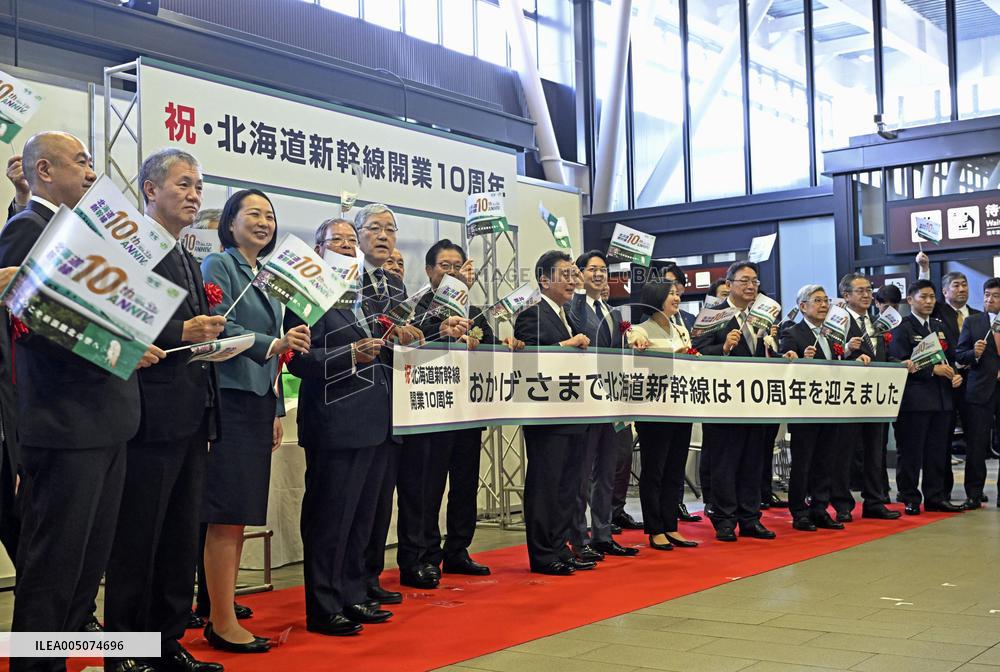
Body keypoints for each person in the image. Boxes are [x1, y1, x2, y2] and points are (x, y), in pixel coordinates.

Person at [0, 132, 161, 672]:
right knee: (52, 571)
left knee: (85, 569)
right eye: (82, 162)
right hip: (66, 426)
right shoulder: (27, 230)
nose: (92, 174)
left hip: (106, 423)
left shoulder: (76, 232)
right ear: (44, 170)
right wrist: (119, 343)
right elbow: (33, 324)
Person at [286, 205, 451, 635]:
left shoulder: (365, 295)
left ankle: (355, 593)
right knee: (330, 517)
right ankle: (323, 605)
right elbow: (298, 360)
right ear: (318, 250)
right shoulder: (307, 292)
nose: (346, 246)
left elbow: (386, 354)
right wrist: (348, 355)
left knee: (362, 516)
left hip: (376, 418)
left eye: (348, 241)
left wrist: (409, 338)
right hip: (335, 420)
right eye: (337, 240)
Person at [103, 148, 227, 672]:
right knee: (139, 538)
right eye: (182, 184)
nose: (193, 194)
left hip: (192, 412)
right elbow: (114, 319)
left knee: (179, 537)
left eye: (198, 185)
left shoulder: (183, 252)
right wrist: (183, 332)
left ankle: (166, 641)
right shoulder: (130, 246)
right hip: (150, 417)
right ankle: (124, 652)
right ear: (150, 190)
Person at [198, 190, 311, 653]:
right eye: (253, 214)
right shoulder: (219, 266)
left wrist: (275, 410)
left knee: (239, 513)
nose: (264, 222)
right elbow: (217, 326)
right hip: (227, 399)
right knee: (226, 514)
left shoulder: (267, 275)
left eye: (270, 216)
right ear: (230, 221)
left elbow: (275, 357)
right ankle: (221, 621)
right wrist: (276, 341)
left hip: (256, 402)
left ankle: (220, 611)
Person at [396, 240, 522, 588]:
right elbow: (407, 350)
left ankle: (458, 550)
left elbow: (492, 346)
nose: (451, 272)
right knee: (425, 487)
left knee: (464, 484)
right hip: (428, 411)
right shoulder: (416, 306)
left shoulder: (475, 310)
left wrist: (505, 346)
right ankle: (420, 556)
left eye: (457, 266)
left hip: (467, 410)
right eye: (444, 266)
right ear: (429, 271)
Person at [692, 261, 791, 542]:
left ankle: (750, 517)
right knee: (725, 461)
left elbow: (767, 355)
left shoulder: (762, 317)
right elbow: (695, 353)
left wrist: (778, 353)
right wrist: (722, 348)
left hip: (756, 401)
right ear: (729, 283)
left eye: (755, 282)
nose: (751, 286)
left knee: (753, 461)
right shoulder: (712, 314)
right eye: (744, 281)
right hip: (723, 402)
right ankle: (724, 519)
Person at [514, 251, 595, 575]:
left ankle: (561, 547)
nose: (572, 280)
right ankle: (543, 554)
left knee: (567, 486)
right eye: (565, 274)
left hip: (573, 413)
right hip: (546, 417)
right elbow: (528, 356)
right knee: (546, 485)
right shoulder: (530, 315)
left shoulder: (568, 315)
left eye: (574, 273)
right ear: (544, 279)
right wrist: (567, 345)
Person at [566, 250, 638, 560]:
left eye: (603, 269)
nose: (599, 274)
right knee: (582, 474)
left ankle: (603, 534)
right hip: (585, 401)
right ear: (580, 274)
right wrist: (580, 292)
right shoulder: (574, 306)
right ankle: (578, 538)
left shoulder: (616, 313)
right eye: (592, 269)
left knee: (609, 469)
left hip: (613, 399)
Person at [627, 278, 699, 550]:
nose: (677, 297)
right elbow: (638, 365)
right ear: (656, 297)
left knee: (674, 468)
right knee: (654, 469)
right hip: (653, 408)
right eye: (671, 293)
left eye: (678, 293)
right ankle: (655, 528)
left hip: (681, 405)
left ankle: (671, 525)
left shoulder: (682, 329)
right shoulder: (638, 330)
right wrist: (673, 355)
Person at [779, 284, 853, 532]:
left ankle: (820, 508)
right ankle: (799, 511)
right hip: (804, 410)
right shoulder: (792, 333)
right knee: (803, 462)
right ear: (802, 307)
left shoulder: (832, 335)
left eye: (826, 301)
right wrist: (801, 360)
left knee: (826, 460)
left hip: (830, 407)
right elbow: (784, 363)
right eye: (818, 300)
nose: (824, 305)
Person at [887, 280, 964, 515]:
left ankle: (935, 497)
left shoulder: (940, 327)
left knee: (938, 451)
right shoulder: (902, 328)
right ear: (910, 300)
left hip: (942, 400)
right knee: (911, 452)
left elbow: (951, 357)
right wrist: (931, 370)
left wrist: (955, 374)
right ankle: (910, 496)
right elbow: (898, 362)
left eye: (932, 297)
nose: (929, 302)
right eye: (923, 297)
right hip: (914, 402)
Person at [916, 254, 981, 501]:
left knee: (975, 439)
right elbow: (923, 290)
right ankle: (942, 490)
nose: (962, 289)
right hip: (943, 384)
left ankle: (974, 492)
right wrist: (924, 269)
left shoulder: (977, 315)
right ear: (944, 291)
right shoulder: (939, 313)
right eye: (956, 285)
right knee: (941, 440)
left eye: (965, 285)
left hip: (972, 384)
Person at [839, 273, 901, 520]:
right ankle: (843, 504)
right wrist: (847, 352)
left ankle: (875, 500)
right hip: (848, 398)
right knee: (847, 453)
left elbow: (882, 356)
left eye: (869, 290)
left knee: (875, 451)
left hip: (875, 398)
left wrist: (900, 363)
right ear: (846, 295)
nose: (866, 295)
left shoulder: (877, 323)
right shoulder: (838, 322)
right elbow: (831, 356)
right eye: (860, 291)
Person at [954, 278, 1000, 509]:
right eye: (986, 295)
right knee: (976, 444)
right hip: (979, 390)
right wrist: (974, 352)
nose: (989, 299)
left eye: (995, 296)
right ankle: (974, 493)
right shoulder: (973, 322)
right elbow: (959, 355)